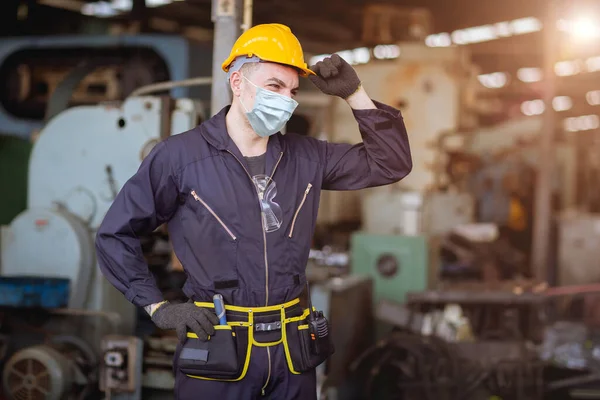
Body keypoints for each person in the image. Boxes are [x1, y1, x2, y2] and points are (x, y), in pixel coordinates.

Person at [96, 23, 412, 400]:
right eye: (274, 86)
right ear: (238, 83)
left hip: (292, 353)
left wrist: (356, 95)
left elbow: (391, 163)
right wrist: (158, 306)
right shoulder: (180, 158)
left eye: (293, 90)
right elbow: (115, 234)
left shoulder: (308, 156)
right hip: (218, 349)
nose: (285, 99)